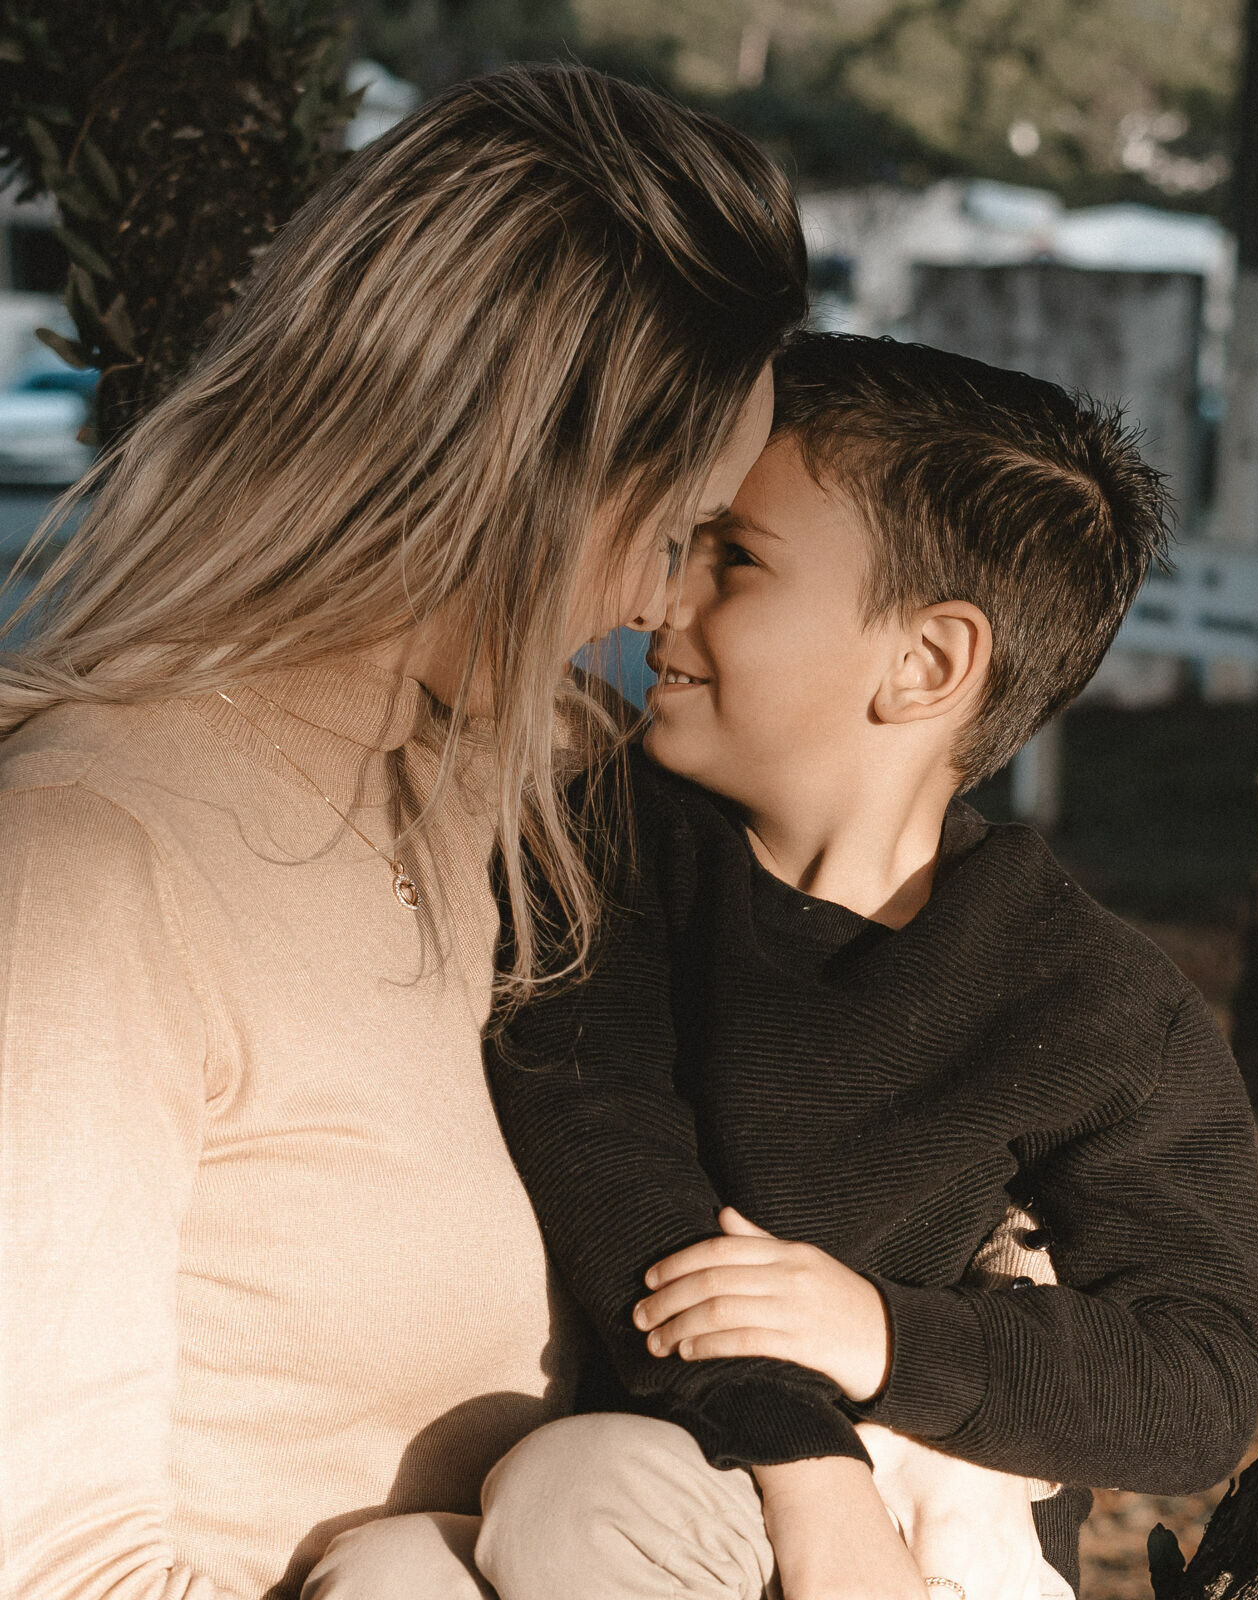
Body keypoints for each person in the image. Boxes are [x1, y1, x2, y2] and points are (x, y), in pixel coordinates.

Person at [0, 64, 808, 1600]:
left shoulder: (549, 777)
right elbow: (46, 1565)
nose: (660, 604)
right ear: (515, 477)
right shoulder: (88, 866)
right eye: (665, 526)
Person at [471, 334, 1258, 1600]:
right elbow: (605, 1150)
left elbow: (1195, 1381)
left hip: (936, 1544)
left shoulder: (1096, 1009)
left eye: (731, 556)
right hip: (686, 1490)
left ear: (926, 663)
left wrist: (880, 1332)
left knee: (574, 1494)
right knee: (479, 1528)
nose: (656, 600)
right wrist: (804, 1464)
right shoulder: (609, 851)